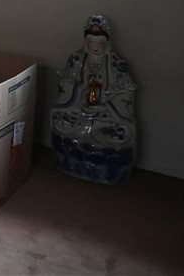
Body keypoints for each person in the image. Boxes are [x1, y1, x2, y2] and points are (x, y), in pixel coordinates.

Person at [50, 15, 138, 184]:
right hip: (78, 108)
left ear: (107, 42)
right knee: (64, 121)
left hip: (107, 114)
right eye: (91, 41)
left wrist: (106, 100)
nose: (95, 46)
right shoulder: (77, 60)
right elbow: (65, 84)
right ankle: (69, 163)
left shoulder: (116, 64)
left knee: (119, 131)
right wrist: (81, 91)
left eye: (100, 42)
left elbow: (126, 93)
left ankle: (110, 173)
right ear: (85, 41)